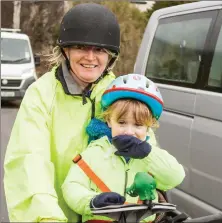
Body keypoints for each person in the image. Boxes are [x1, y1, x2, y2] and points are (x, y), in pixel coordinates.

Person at [4, 3, 120, 222]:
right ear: (66, 50)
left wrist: (154, 189)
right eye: (81, 47)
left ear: (111, 56)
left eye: (100, 50)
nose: (90, 57)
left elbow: (145, 146)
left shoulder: (121, 94)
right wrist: (45, 217)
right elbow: (29, 161)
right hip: (57, 214)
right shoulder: (41, 94)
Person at [61, 73, 185, 223]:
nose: (129, 131)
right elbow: (72, 186)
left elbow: (175, 177)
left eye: (138, 125)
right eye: (121, 122)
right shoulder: (94, 153)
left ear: (149, 125)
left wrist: (148, 154)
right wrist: (92, 201)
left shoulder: (152, 156)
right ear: (108, 121)